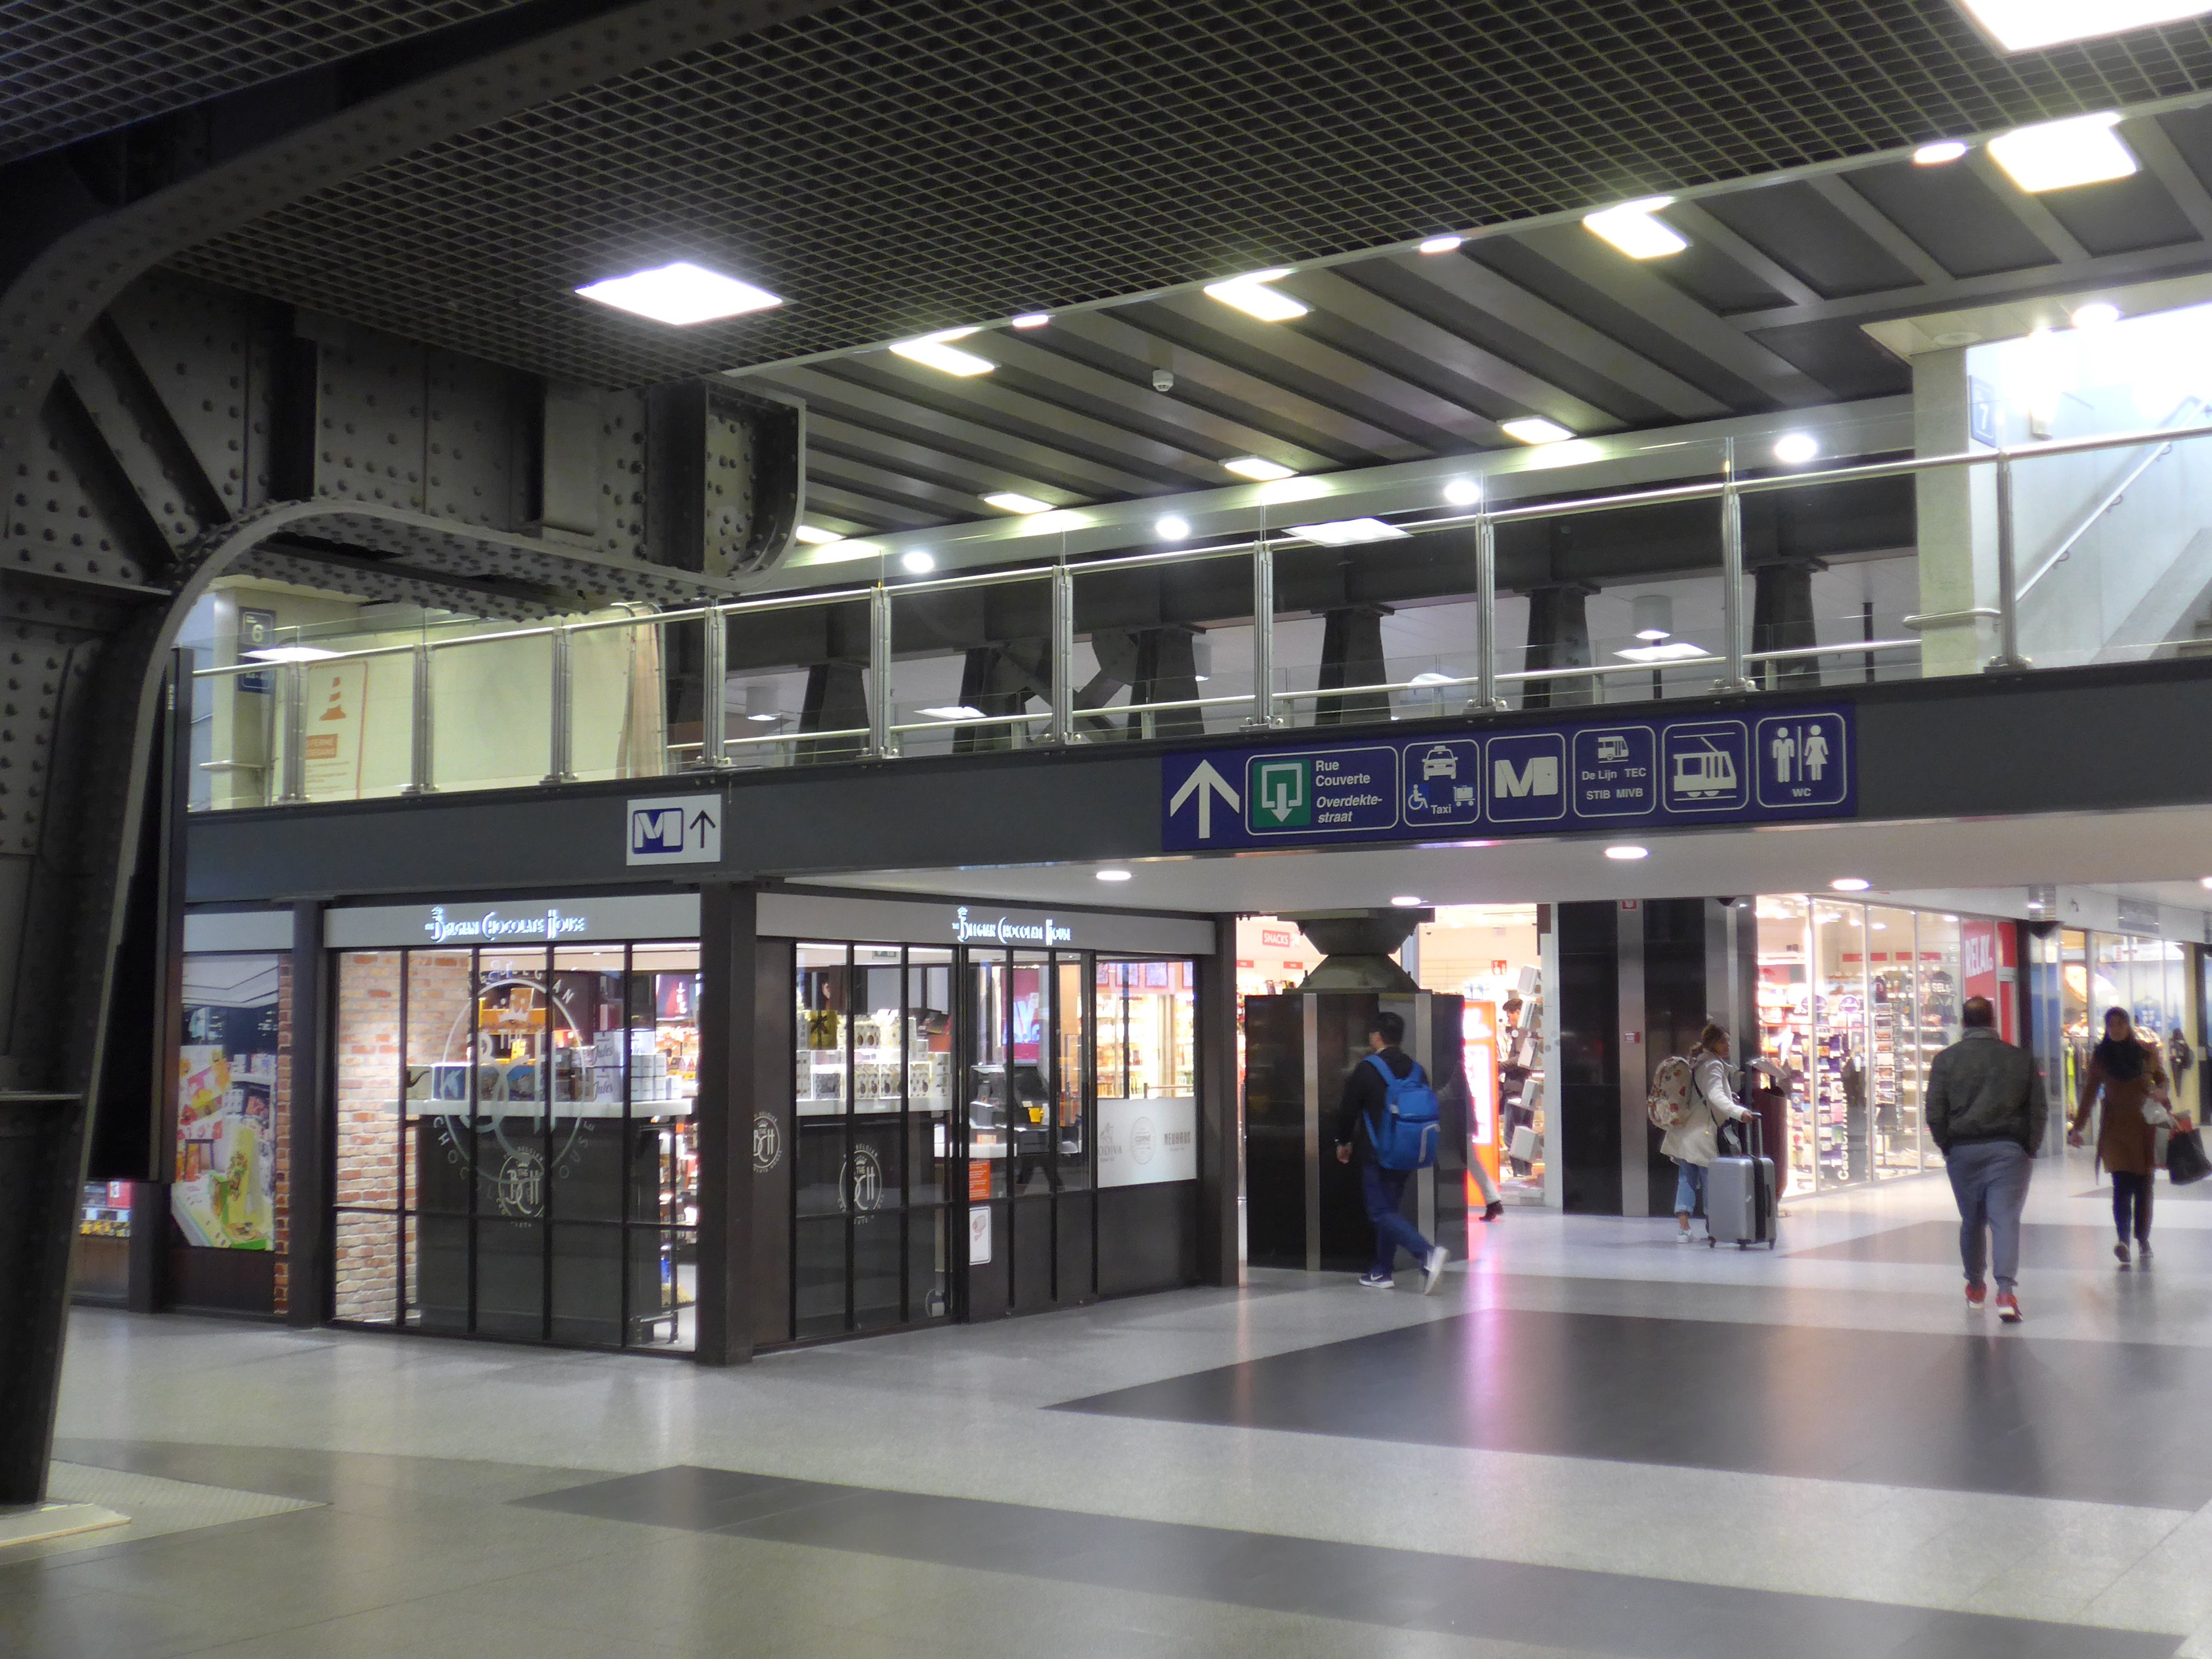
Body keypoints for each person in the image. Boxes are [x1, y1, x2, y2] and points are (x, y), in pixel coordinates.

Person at [1926, 995, 2046, 1323]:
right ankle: (2005, 1292)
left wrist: (1947, 1145)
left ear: (1964, 1023)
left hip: (1963, 1150)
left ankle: (1975, 1288)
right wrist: (2029, 1147)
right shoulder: (2020, 1060)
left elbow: (1934, 1111)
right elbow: (2037, 1109)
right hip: (2009, 1151)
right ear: (1993, 1022)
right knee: (2005, 1220)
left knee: (1972, 1221)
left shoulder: (1946, 1061)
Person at [1335, 1011, 1449, 1293]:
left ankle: (1426, 1253)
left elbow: (1348, 1109)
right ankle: (1381, 1271)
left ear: (1376, 1036)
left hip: (1378, 1151)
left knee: (1379, 1211)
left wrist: (1343, 1142)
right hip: (1409, 1149)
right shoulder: (1417, 1069)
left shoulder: (1368, 1068)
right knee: (1390, 1210)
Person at [2070, 1006, 2180, 1266]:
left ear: (2128, 1026)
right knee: (2121, 1186)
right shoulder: (2101, 1057)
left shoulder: (2146, 1053)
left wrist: (2162, 1092)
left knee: (2143, 1187)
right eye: (2111, 1026)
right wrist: (2077, 1127)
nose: (2116, 1030)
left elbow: (2163, 1080)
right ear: (2107, 1029)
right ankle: (2123, 1240)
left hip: (2144, 1127)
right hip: (2115, 1130)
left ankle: (2142, 1238)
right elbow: (2088, 1094)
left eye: (2120, 1025)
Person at [1661, 1021, 1755, 1245]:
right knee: (1710, 1178)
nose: (1727, 1045)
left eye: (1728, 1041)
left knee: (1686, 1178)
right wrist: (1739, 1111)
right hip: (1702, 1132)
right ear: (1712, 1043)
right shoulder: (1713, 1065)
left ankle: (1684, 1229)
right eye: (1723, 1041)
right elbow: (1714, 1095)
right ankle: (1714, 1227)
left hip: (1686, 1130)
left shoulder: (1698, 1063)